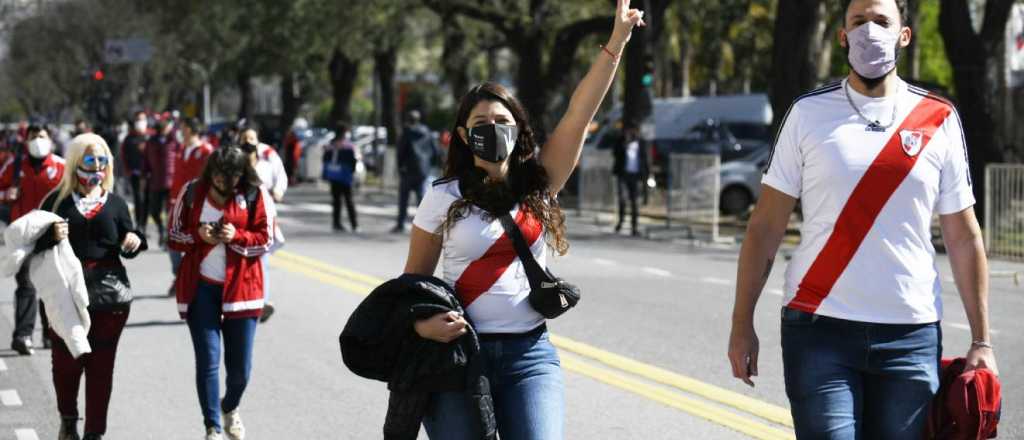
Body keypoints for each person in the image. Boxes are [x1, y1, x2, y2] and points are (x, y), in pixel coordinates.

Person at [727, 1, 998, 438]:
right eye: (858, 21)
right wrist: (742, 325)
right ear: (842, 36)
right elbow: (765, 227)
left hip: (910, 335)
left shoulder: (939, 118)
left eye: (882, 21)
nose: (869, 31)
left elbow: (964, 237)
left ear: (904, 35)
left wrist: (981, 340)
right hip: (819, 331)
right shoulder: (807, 114)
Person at [402, 2, 644, 438]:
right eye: (480, 122)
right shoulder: (442, 198)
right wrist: (422, 324)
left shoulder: (541, 183)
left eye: (501, 120)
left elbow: (579, 113)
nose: (491, 128)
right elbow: (412, 284)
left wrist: (617, 41)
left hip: (529, 357)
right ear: (462, 134)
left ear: (517, 131)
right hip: (459, 354)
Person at [37, 133, 146, 440]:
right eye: (89, 160)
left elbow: (132, 237)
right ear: (74, 163)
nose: (96, 167)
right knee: (67, 365)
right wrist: (50, 236)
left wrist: (133, 241)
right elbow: (32, 244)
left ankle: (94, 433)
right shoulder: (56, 201)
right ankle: (68, 419)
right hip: (65, 295)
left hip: (108, 298)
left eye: (102, 160)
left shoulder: (116, 203)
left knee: (101, 369)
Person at [168, 146, 272, 440]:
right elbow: (174, 236)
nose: (224, 181)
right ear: (210, 170)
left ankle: (230, 406)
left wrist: (236, 236)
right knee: (208, 360)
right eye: (219, 174)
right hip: (201, 288)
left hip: (243, 291)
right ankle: (212, 426)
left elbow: (266, 239)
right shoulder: (192, 192)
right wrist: (197, 235)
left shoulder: (254, 194)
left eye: (233, 175)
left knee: (240, 372)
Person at [0, 125, 66, 355]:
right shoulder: (15, 165)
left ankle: (51, 334)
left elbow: (74, 196)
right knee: (26, 284)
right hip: (24, 235)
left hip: (52, 234)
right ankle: (22, 335)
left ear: (50, 140)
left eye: (42, 136)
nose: (38, 140)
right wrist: (6, 195)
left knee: (50, 284)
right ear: (26, 141)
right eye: (33, 137)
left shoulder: (61, 166)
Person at [239, 128, 286, 322]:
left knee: (262, 258)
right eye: (244, 139)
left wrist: (278, 190)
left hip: (262, 217)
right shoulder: (234, 161)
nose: (248, 142)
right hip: (240, 218)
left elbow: (281, 176)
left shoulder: (268, 158)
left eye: (252, 138)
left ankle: (263, 302)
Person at [168, 118, 214, 296]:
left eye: (182, 128)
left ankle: (194, 280)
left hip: (196, 203)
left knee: (194, 242)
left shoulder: (205, 150)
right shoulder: (180, 149)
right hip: (176, 201)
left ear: (189, 129)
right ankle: (180, 275)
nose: (180, 131)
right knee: (172, 240)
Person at [392, 109, 442, 233]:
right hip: (423, 170)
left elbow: (401, 151)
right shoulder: (427, 132)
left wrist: (399, 167)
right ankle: (425, 226)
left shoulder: (407, 132)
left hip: (408, 170)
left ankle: (400, 224)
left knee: (404, 198)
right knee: (421, 198)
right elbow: (436, 151)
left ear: (408, 119)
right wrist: (430, 166)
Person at [144, 118, 179, 247]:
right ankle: (161, 229)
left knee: (171, 211)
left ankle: (168, 237)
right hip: (156, 182)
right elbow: (146, 161)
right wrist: (144, 176)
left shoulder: (174, 142)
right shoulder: (151, 142)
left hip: (172, 182)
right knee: (154, 210)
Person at [611, 122, 648, 236]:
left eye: (634, 131)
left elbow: (644, 159)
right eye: (630, 130)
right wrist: (625, 143)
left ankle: (634, 227)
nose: (632, 133)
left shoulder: (641, 143)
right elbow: (615, 154)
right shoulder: (621, 141)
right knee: (622, 199)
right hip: (623, 174)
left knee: (634, 202)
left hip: (635, 175)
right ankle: (620, 222)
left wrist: (646, 175)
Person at [322, 122, 360, 232]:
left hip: (333, 177)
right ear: (344, 133)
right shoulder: (348, 146)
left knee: (336, 201)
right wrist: (351, 173)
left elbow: (325, 160)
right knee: (349, 200)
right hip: (345, 177)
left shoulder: (330, 145)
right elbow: (353, 161)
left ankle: (336, 223)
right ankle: (354, 224)